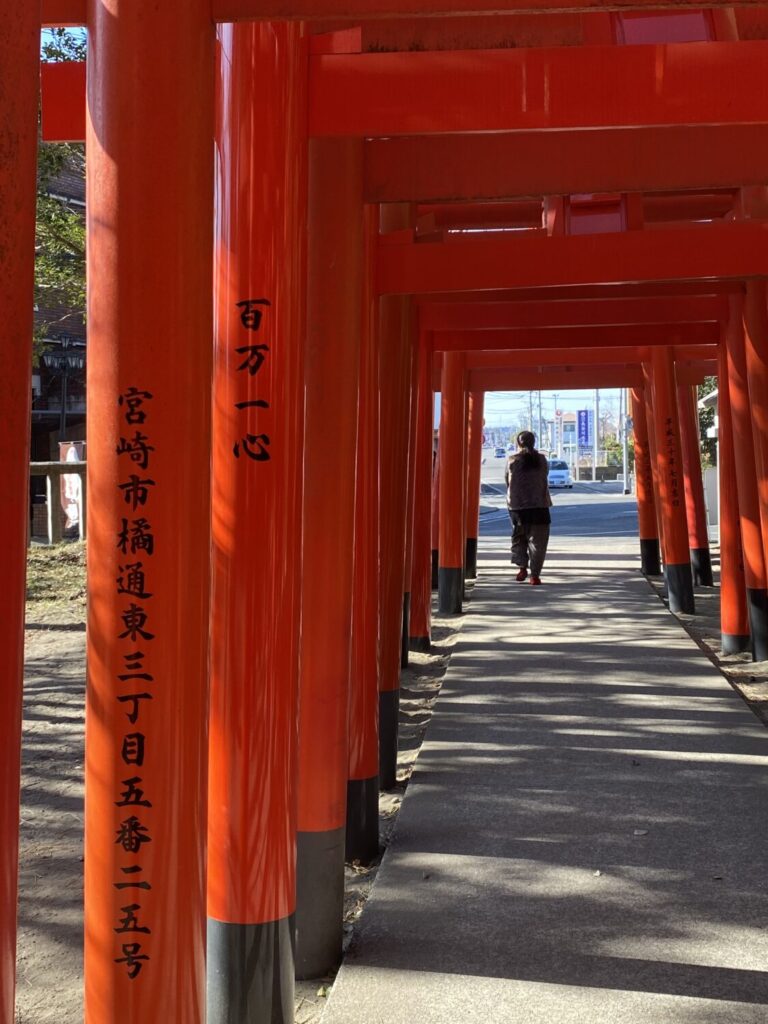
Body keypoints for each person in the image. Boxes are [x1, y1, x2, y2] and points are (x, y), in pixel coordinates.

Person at [505, 430, 552, 585]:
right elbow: (544, 476)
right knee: (538, 543)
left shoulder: (512, 460)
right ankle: (535, 575)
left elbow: (507, 482)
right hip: (540, 506)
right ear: (534, 442)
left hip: (517, 507)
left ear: (518, 443)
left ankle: (522, 568)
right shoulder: (542, 460)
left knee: (519, 539)